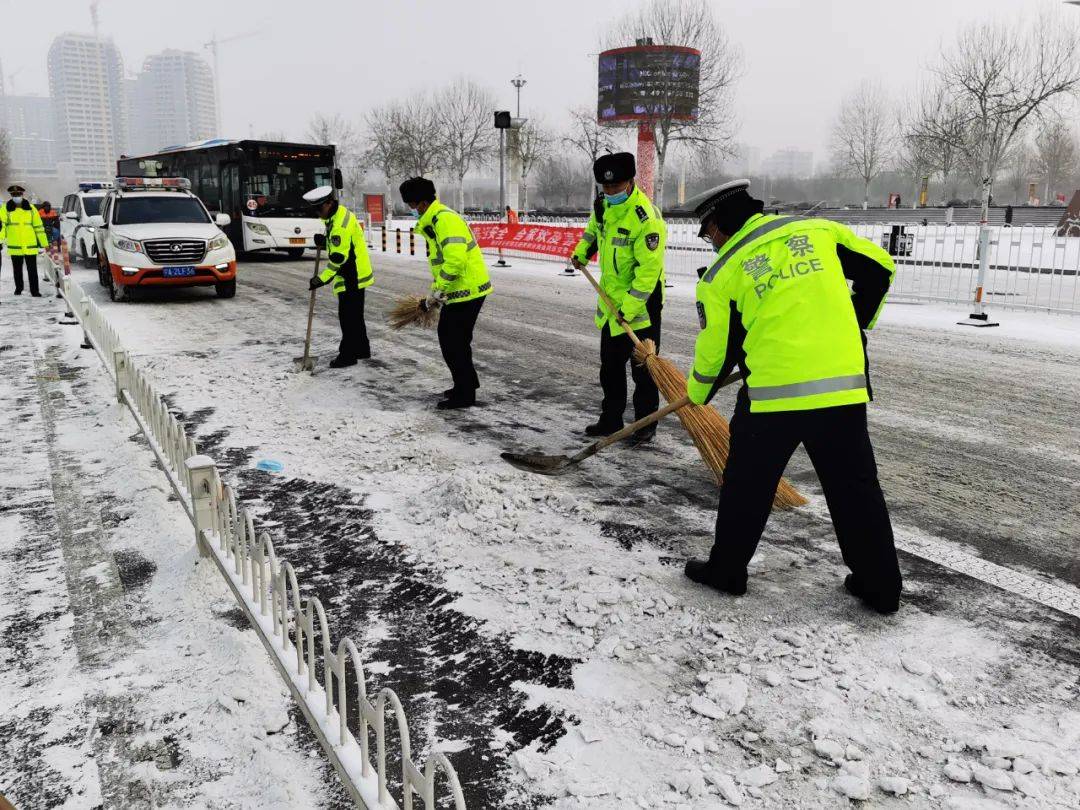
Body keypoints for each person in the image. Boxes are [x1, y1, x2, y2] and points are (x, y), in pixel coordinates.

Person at [682, 179, 902, 614]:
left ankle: (727, 572)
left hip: (772, 401)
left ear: (721, 225)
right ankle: (881, 588)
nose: (709, 242)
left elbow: (717, 350)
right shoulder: (819, 233)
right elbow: (881, 268)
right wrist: (856, 319)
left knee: (747, 487)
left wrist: (697, 393)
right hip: (841, 390)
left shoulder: (723, 272)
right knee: (855, 490)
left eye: (707, 233)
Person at [569, 152, 666, 444]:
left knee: (643, 370)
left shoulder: (645, 217)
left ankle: (644, 424)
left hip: (642, 302)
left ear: (631, 181)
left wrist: (630, 307)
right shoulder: (602, 207)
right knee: (610, 367)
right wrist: (582, 252)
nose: (610, 192)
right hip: (612, 299)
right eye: (606, 187)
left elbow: (649, 272)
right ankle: (610, 419)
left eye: (616, 186)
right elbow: (593, 233)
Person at [399, 176, 491, 410]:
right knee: (455, 341)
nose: (411, 210)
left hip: (466, 290)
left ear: (420, 203)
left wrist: (436, 293)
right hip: (460, 291)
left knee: (453, 342)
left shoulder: (444, 220)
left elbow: (455, 262)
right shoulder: (436, 220)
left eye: (411, 205)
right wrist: (438, 292)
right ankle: (464, 385)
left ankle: (465, 393)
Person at [301, 185, 374, 367]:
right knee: (355, 315)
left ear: (329, 203)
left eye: (319, 209)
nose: (318, 213)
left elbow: (338, 259)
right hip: (355, 270)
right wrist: (325, 242)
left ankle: (348, 355)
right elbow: (340, 246)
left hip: (352, 274)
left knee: (347, 316)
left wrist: (321, 279)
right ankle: (362, 349)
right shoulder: (338, 215)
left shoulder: (339, 225)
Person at [0, 184, 48, 297]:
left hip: (30, 245)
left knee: (32, 270)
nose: (16, 196)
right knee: (17, 270)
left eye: (18, 194)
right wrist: (0, 240)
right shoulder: (5, 209)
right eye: (14, 194)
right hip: (15, 246)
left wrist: (44, 243)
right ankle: (18, 288)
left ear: (22, 195)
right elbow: (2, 227)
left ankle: (35, 291)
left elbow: (39, 227)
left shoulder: (31, 209)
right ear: (11, 195)